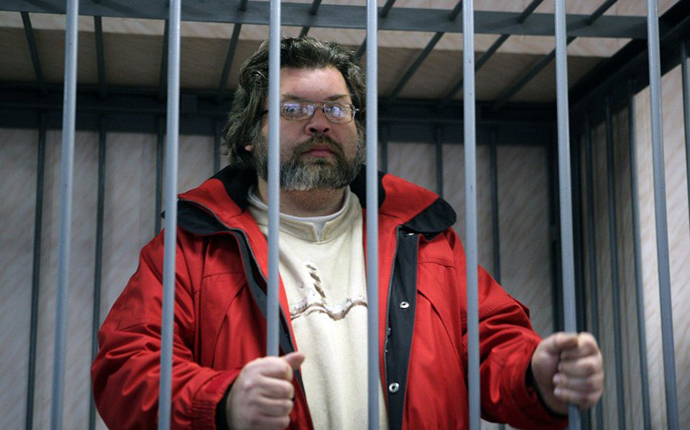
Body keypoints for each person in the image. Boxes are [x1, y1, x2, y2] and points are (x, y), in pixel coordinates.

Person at [91, 37, 604, 430]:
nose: (319, 124)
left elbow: (493, 346)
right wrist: (221, 401)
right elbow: (125, 370)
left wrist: (539, 372)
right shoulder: (191, 246)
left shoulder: (422, 233)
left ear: (356, 127)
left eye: (336, 108)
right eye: (293, 110)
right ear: (249, 137)